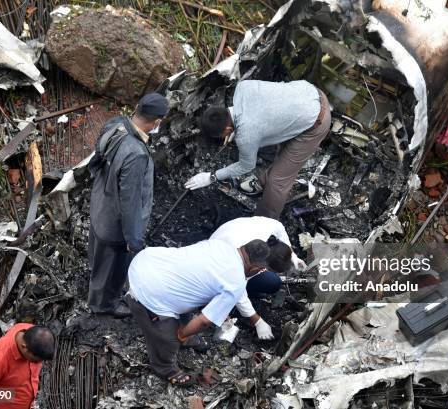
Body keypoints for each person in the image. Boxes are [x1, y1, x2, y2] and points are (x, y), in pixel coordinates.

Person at [126, 239, 270, 386]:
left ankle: (185, 336)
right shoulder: (236, 282)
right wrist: (181, 335)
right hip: (146, 292)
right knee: (170, 339)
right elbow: (204, 321)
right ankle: (163, 367)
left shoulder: (223, 244)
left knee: (187, 316)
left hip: (145, 260)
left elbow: (202, 277)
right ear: (254, 269)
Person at [184, 80, 331, 219]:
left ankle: (265, 223)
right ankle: (262, 183)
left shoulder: (246, 135)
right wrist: (237, 128)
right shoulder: (243, 87)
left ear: (228, 129)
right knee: (283, 154)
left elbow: (246, 166)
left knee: (278, 180)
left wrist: (212, 177)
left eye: (224, 134)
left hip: (316, 120)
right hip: (308, 92)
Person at [87, 93, 168, 317]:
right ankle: (103, 305)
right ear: (157, 122)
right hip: (114, 222)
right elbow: (130, 202)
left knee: (98, 255)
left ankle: (95, 274)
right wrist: (133, 239)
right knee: (113, 268)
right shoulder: (136, 154)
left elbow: (98, 156)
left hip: (100, 203)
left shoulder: (116, 124)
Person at [210, 216, 308, 340]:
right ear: (262, 263)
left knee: (273, 282)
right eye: (269, 269)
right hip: (215, 267)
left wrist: (292, 256)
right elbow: (239, 293)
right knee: (226, 296)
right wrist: (257, 321)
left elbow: (279, 227)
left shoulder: (265, 235)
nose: (267, 271)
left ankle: (249, 290)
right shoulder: (238, 263)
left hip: (233, 253)